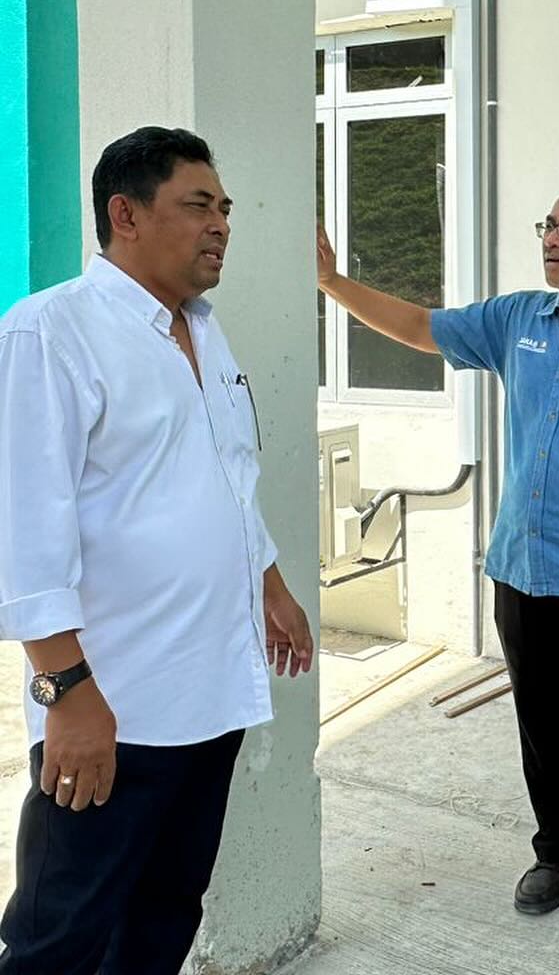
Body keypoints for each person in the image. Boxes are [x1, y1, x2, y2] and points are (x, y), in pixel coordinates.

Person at [316, 188, 559, 965]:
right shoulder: (516, 320)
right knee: (543, 725)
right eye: (549, 225)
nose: (552, 238)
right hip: (525, 574)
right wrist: (332, 282)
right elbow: (420, 328)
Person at [0, 127, 313, 975]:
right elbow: (24, 534)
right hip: (113, 707)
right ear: (126, 215)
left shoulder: (204, 332)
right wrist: (66, 694)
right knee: (61, 937)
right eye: (198, 205)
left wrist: (270, 582)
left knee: (165, 912)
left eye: (226, 209)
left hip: (210, 693)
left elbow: (226, 478)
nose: (221, 225)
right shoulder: (51, 333)